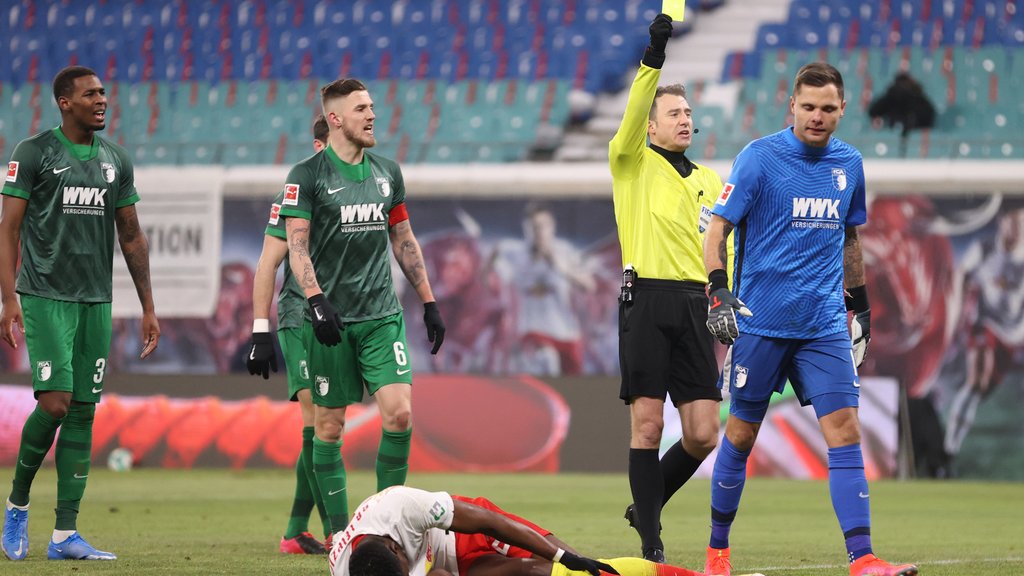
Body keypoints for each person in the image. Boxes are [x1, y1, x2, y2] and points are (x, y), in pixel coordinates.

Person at [700, 62, 917, 576]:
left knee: (845, 430)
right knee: (741, 436)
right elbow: (718, 230)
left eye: (827, 108)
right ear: (791, 107)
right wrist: (718, 290)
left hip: (822, 323)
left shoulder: (850, 164)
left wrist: (859, 305)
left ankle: (863, 559)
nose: (817, 117)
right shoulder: (759, 158)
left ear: (842, 110)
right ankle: (717, 552)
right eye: (808, 107)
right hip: (763, 321)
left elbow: (850, 238)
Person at [0, 65, 160, 561]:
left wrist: (148, 306)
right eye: (90, 94)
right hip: (45, 296)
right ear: (64, 102)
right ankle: (17, 506)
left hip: (97, 301)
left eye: (104, 93)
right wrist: (9, 299)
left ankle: (64, 535)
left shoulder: (116, 160)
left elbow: (131, 236)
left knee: (84, 411)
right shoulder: (34, 153)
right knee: (55, 402)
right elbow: (7, 229)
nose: (102, 100)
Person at [278, 78, 446, 543]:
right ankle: (339, 536)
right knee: (328, 428)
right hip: (330, 322)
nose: (372, 115)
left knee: (400, 416)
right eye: (360, 109)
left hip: (379, 316)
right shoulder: (306, 176)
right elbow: (297, 247)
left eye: (372, 106)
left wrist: (429, 301)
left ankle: (388, 532)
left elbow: (404, 240)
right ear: (335, 119)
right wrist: (315, 301)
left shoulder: (387, 172)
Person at [608, 13, 729, 562]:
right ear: (650, 126)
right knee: (649, 421)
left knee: (704, 432)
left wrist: (727, 300)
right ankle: (652, 541)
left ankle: (646, 501)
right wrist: (654, 56)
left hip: (695, 305)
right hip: (647, 298)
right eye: (673, 113)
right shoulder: (630, 162)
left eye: (688, 113)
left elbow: (721, 249)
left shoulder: (708, 181)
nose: (684, 120)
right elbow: (636, 108)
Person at [246, 114, 331, 554]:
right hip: (300, 315)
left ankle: (297, 529)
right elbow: (267, 263)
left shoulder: (358, 185)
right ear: (320, 146)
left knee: (326, 425)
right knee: (316, 418)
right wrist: (261, 330)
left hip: (339, 318)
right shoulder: (295, 193)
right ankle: (338, 531)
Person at [329, 485, 715, 576]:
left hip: (460, 534)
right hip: (446, 567)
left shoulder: (400, 505)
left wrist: (563, 554)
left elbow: (489, 522)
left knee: (566, 568)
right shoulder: (346, 567)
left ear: (396, 549)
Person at [945, 208, 1024, 460]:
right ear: (1003, 222)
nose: (1018, 228)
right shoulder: (985, 249)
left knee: (983, 388)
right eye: (1013, 221)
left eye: (1022, 223)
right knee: (977, 380)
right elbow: (960, 275)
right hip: (985, 323)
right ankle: (950, 449)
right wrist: (958, 314)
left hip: (1013, 333)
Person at [494, 202, 595, 375]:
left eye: (543, 226)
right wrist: (488, 277)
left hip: (566, 333)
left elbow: (588, 285)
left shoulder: (564, 252)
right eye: (533, 228)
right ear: (526, 230)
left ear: (552, 228)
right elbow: (497, 250)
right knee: (547, 360)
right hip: (532, 331)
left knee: (572, 386)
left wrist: (561, 268)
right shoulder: (516, 253)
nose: (538, 232)